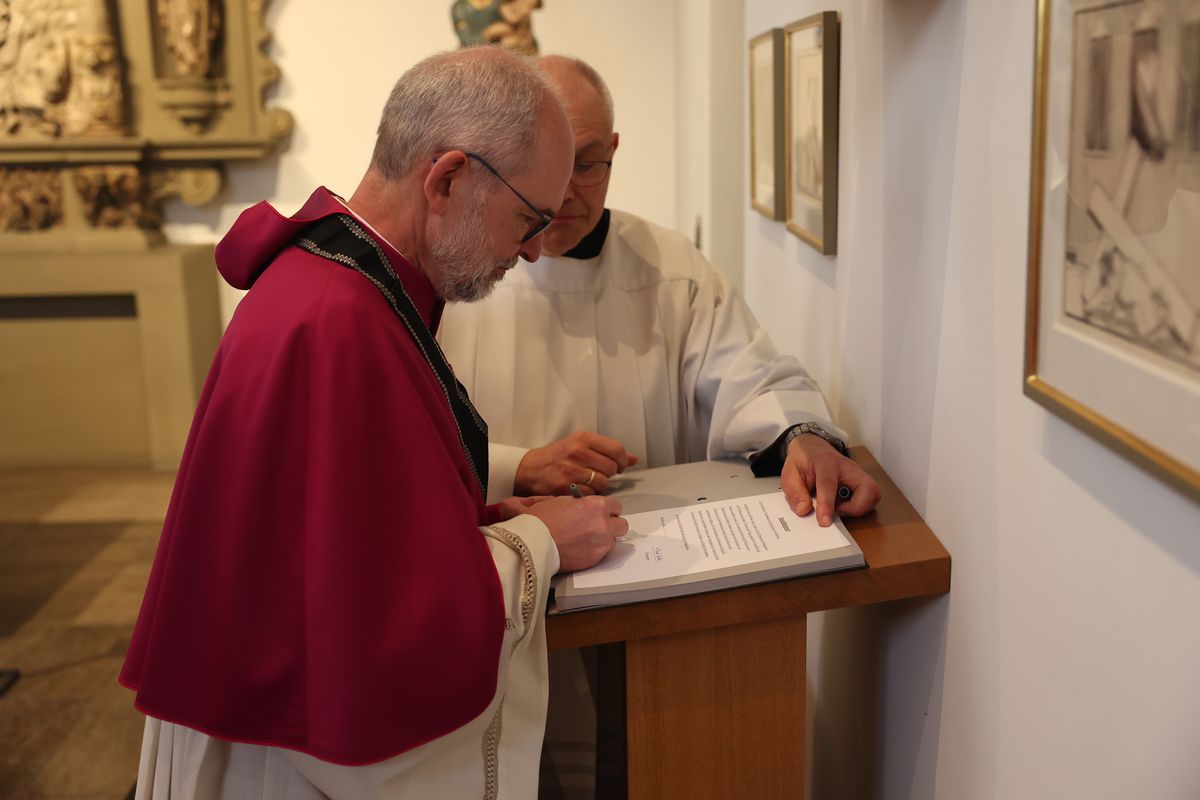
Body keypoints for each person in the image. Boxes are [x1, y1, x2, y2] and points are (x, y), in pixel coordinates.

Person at [118, 47, 627, 799]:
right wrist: (541, 542)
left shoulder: (354, 283)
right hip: (280, 763)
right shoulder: (336, 321)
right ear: (447, 179)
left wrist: (489, 518)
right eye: (528, 219)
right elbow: (371, 630)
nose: (530, 251)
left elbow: (357, 529)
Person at [438, 54, 882, 527]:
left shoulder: (670, 268)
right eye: (543, 166)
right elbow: (409, 435)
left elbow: (755, 378)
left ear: (613, 149)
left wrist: (804, 437)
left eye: (585, 164)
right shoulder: (456, 272)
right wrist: (517, 467)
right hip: (500, 544)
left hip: (652, 540)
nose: (563, 192)